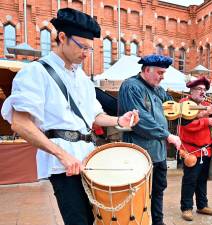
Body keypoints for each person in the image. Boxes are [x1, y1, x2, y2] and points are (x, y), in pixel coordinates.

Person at [0, 8, 139, 225]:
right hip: (64, 164)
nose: (86, 53)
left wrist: (119, 121)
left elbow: (94, 116)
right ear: (62, 37)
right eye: (82, 46)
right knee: (78, 221)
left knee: (98, 218)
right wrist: (62, 155)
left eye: (90, 49)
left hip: (89, 157)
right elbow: (20, 123)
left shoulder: (81, 77)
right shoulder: (35, 72)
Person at [118, 54, 182, 225]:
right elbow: (141, 121)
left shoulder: (158, 89)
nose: (162, 77)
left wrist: (195, 110)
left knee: (158, 190)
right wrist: (168, 135)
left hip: (158, 153)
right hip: (139, 154)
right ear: (147, 70)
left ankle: (158, 222)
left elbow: (172, 108)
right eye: (160, 73)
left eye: (164, 73)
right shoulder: (131, 86)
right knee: (138, 194)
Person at [178, 76, 212, 221]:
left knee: (202, 180)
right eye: (199, 89)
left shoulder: (208, 104)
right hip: (191, 151)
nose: (202, 92)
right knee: (190, 180)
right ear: (191, 90)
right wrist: (207, 121)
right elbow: (186, 126)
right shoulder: (184, 104)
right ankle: (186, 208)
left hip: (206, 150)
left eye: (204, 89)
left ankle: (202, 205)